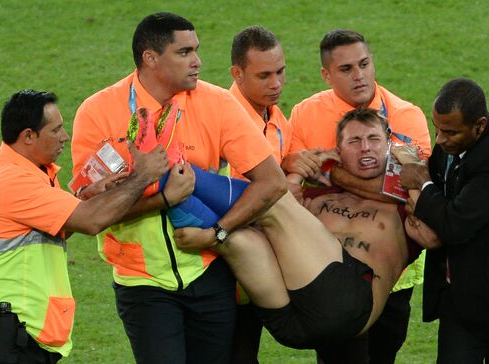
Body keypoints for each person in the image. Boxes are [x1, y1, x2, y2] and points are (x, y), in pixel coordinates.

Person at [71, 12, 286, 364]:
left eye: (196, 50)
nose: (198, 62)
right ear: (150, 58)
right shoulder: (98, 111)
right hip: (141, 283)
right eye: (184, 52)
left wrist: (218, 233)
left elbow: (272, 182)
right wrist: (165, 198)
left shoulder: (216, 103)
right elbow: (90, 214)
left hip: (211, 271)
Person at [173, 108, 432, 363]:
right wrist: (299, 170)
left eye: (374, 139)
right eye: (354, 141)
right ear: (338, 151)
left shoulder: (402, 209)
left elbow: (433, 232)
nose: (365, 147)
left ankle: (178, 175)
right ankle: (170, 190)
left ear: (388, 145)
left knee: (269, 199)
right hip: (290, 322)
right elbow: (271, 216)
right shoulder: (317, 196)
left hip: (350, 304)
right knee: (241, 239)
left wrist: (411, 170)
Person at [281, 29, 432, 363]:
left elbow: (408, 192)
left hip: (394, 271)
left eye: (364, 64)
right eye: (346, 69)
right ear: (326, 74)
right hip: (326, 269)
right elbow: (292, 180)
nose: (359, 75)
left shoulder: (408, 116)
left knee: (383, 355)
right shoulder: (305, 115)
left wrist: (332, 173)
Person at [0, 90, 170, 363]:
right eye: (56, 130)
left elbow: (59, 225)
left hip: (19, 330)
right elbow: (91, 221)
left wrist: (82, 198)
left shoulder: (29, 171)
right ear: (28, 136)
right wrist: (144, 176)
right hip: (13, 336)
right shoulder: (13, 181)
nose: (65, 137)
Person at [397, 78, 489, 363]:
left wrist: (423, 184)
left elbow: (455, 223)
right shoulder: (453, 140)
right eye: (436, 127)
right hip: (463, 298)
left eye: (449, 132)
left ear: (479, 125)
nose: (439, 139)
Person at [227, 25, 292, 363]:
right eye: (264, 75)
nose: (276, 83)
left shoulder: (278, 118)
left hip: (258, 259)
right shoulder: (224, 118)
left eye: (280, 72)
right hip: (223, 262)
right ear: (237, 74)